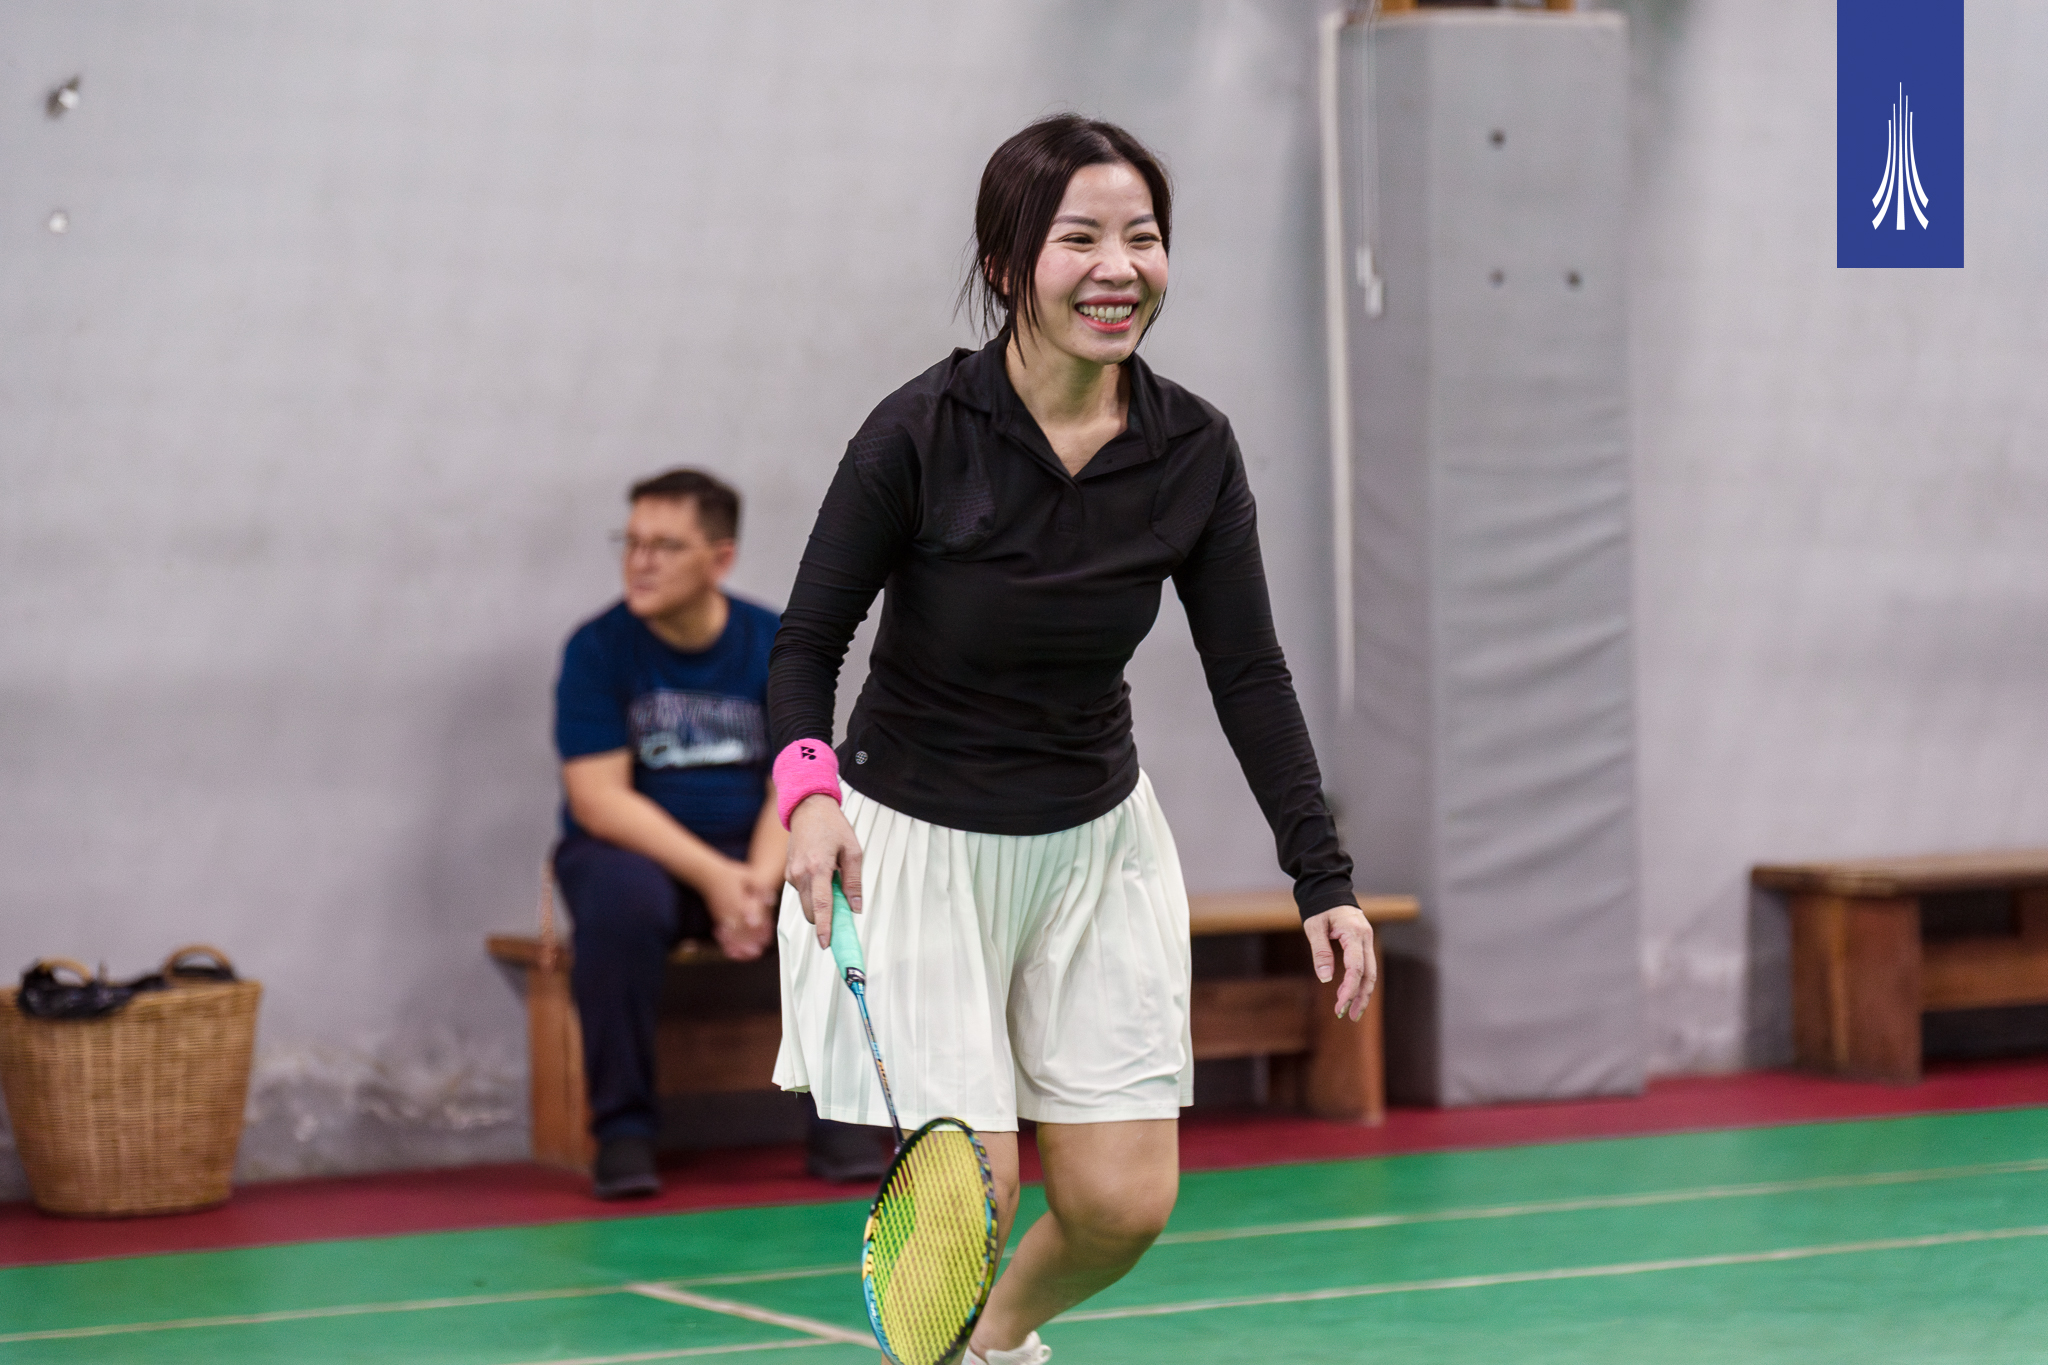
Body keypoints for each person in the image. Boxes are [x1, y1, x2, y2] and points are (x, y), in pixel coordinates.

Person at [764, 116, 1377, 1363]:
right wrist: (808, 795)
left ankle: (984, 1341)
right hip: (916, 849)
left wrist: (1322, 875)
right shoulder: (918, 433)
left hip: (1092, 847)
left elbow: (1247, 671)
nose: (1118, 267)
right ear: (1006, 266)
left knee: (1118, 1205)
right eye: (1078, 239)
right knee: (973, 1193)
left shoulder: (1190, 450)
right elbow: (803, 644)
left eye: (1142, 239)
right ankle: (952, 1333)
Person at [552, 468, 887, 1199]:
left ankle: (845, 1118)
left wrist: (765, 881)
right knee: (618, 901)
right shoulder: (597, 649)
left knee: (835, 875)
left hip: (756, 852)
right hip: (644, 859)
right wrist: (717, 878)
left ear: (720, 557)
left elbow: (794, 777)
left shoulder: (772, 641)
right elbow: (599, 800)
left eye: (665, 545)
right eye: (632, 542)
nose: (640, 561)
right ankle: (625, 1131)